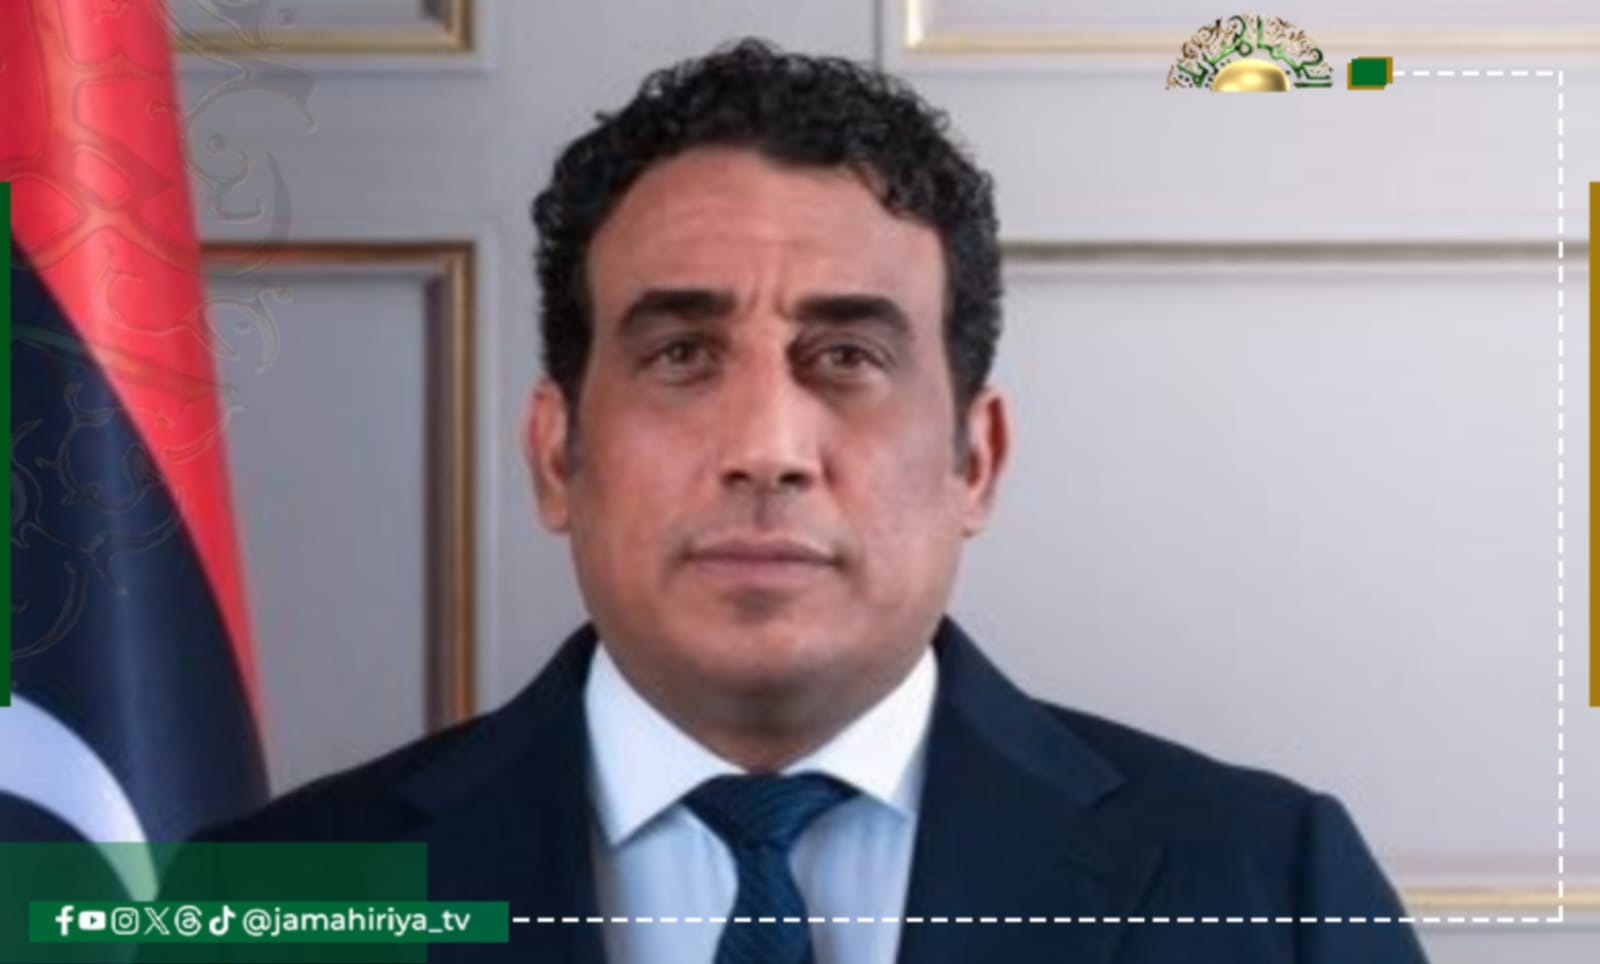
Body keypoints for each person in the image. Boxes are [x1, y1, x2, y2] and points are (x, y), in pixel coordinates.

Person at [203, 38, 1430, 964]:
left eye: (846, 356)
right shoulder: (266, 900)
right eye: (682, 355)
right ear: (555, 453)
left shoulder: (1274, 892)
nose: (767, 449)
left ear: (975, 461)